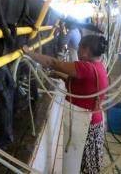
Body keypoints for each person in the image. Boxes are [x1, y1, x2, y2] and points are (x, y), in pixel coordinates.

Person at [23, 35, 108, 174]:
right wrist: (59, 76)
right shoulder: (98, 66)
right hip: (94, 119)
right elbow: (84, 85)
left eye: (79, 46)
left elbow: (53, 63)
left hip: (85, 123)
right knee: (84, 163)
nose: (77, 49)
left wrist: (29, 53)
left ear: (86, 50)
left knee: (77, 161)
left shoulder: (85, 67)